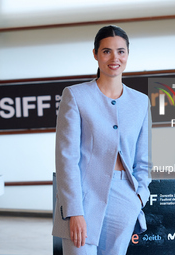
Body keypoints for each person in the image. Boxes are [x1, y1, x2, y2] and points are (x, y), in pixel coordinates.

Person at [52, 25, 152, 255]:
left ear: (127, 54)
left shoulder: (140, 102)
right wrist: (74, 211)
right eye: (106, 51)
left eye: (121, 51)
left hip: (124, 199)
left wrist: (138, 198)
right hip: (84, 198)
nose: (114, 58)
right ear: (95, 54)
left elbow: (143, 158)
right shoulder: (76, 95)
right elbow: (67, 158)